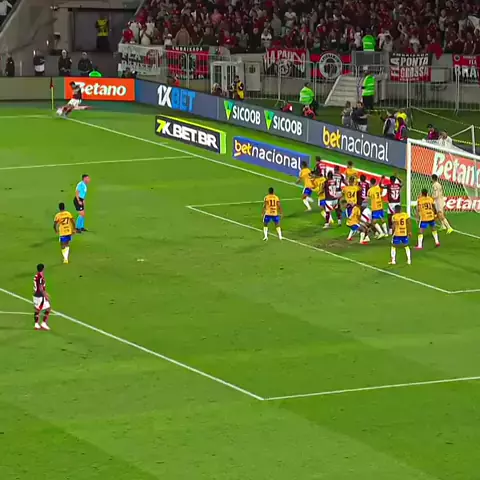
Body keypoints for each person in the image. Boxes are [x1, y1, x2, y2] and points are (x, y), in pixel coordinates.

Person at [33, 264, 51, 330]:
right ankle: (43, 323)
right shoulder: (40, 277)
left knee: (37, 309)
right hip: (40, 296)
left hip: (36, 294)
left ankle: (36, 324)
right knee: (48, 308)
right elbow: (40, 288)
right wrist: (45, 295)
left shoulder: (37, 275)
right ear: (43, 269)